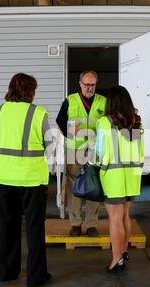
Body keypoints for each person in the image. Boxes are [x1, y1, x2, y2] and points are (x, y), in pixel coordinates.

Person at [0, 73, 52, 287]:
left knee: (8, 225)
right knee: (34, 228)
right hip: (31, 179)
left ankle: (6, 272)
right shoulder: (39, 113)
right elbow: (50, 145)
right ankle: (36, 277)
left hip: (3, 177)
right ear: (31, 91)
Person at [95, 85, 144, 272]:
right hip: (132, 176)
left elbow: (99, 152)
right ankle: (123, 252)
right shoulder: (135, 121)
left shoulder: (104, 122)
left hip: (114, 177)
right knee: (125, 216)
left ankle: (116, 260)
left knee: (115, 218)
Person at [56, 71, 106, 237]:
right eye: (86, 84)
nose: (89, 88)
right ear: (80, 83)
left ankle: (91, 224)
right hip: (74, 149)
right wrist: (70, 131)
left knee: (94, 186)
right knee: (73, 187)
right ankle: (75, 223)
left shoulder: (103, 101)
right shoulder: (70, 100)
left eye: (92, 85)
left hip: (95, 150)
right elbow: (60, 121)